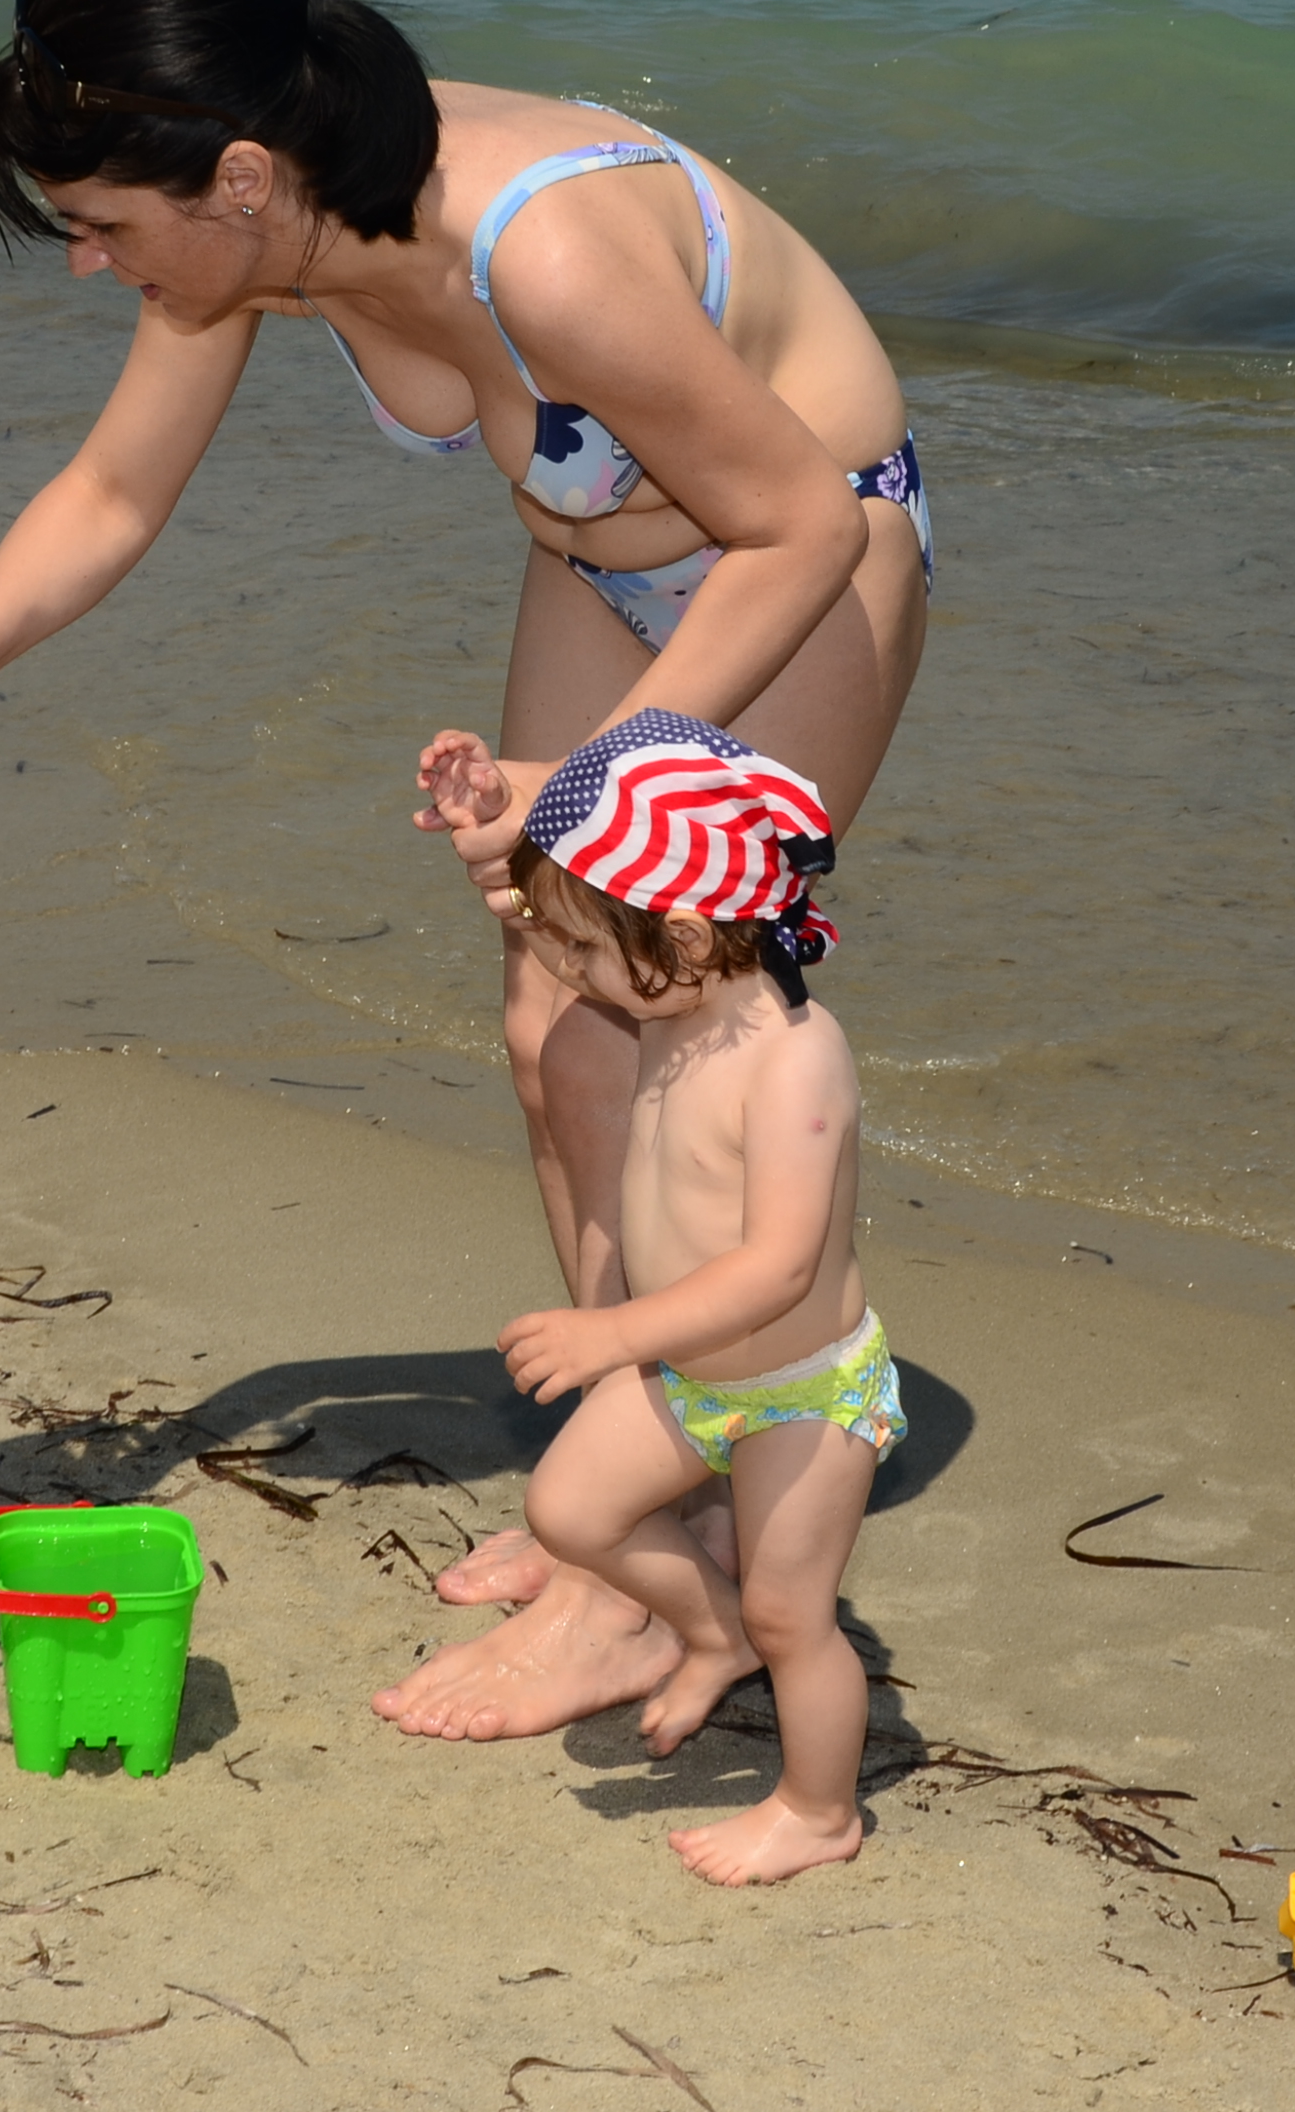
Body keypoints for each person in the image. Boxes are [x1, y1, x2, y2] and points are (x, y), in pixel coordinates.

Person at [0, 0, 929, 1739]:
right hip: (604, 559)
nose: (92, 259)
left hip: (800, 568)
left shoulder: (541, 250)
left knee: (660, 1028)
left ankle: (621, 1586)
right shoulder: (257, 223)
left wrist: (592, 788)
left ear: (240, 176)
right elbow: (112, 489)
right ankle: (630, 1482)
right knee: (550, 1037)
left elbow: (796, 523)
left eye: (101, 224)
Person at [436, 712, 898, 1883]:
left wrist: (614, 1334)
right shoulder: (675, 999)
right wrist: (491, 826)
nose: (566, 970)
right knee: (570, 1512)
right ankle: (710, 1629)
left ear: (686, 935)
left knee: (798, 1618)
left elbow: (779, 1267)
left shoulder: (794, 1058)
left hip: (804, 1394)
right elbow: (555, 911)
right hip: (693, 1374)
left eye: (585, 951)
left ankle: (818, 1810)